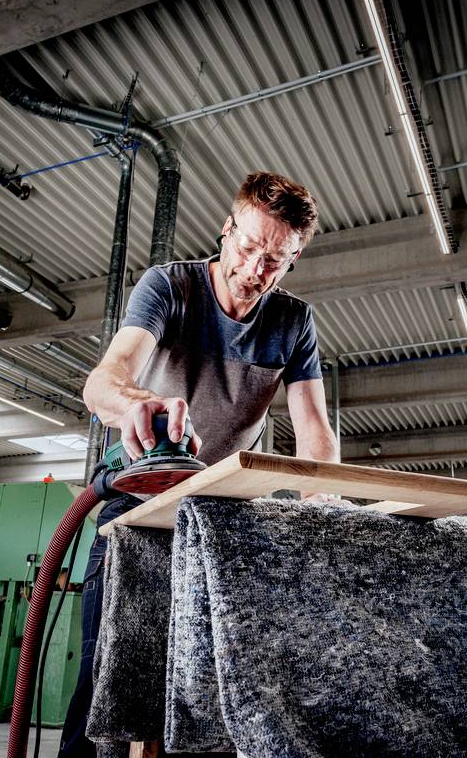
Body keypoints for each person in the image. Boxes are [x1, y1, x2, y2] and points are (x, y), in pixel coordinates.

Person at [57, 171, 339, 756]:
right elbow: (104, 378)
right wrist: (136, 402)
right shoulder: (170, 288)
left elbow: (314, 431)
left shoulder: (293, 323)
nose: (255, 270)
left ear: (294, 259)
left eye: (276, 260)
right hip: (139, 507)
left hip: (218, 522)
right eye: (248, 248)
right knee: (106, 685)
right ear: (226, 229)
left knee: (211, 691)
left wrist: (324, 514)